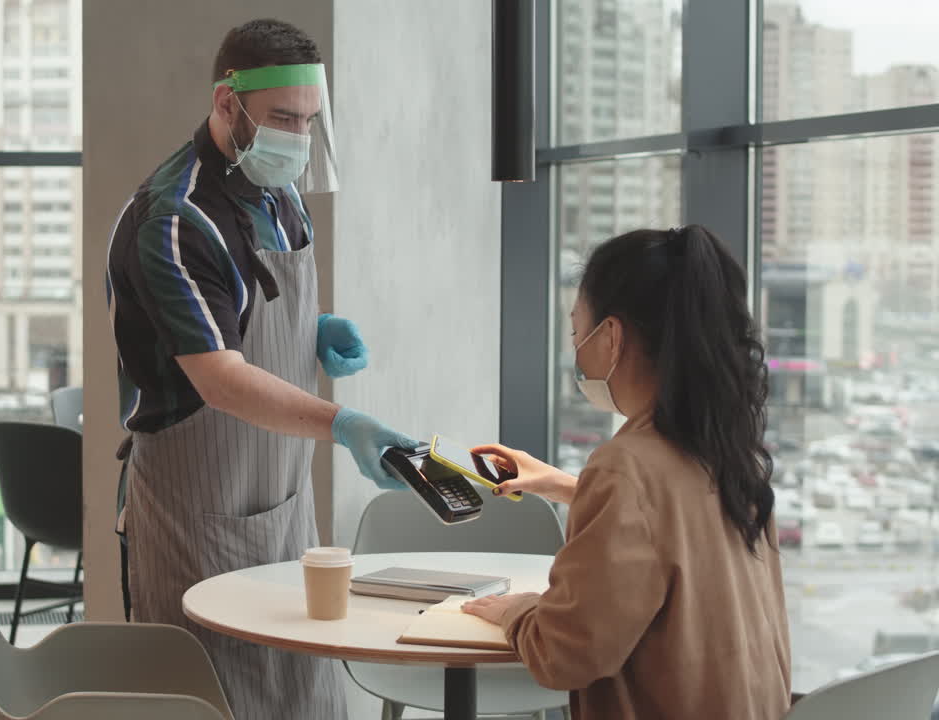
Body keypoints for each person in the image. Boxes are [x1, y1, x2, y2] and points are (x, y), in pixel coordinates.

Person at [105, 19, 415, 720]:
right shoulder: (173, 220)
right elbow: (219, 377)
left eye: (308, 120)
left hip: (283, 504)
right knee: (216, 698)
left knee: (305, 692)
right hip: (194, 511)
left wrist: (314, 330)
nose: (297, 139)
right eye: (282, 119)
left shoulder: (281, 193)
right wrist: (344, 423)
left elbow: (251, 307)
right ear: (227, 103)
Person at [463, 225, 792, 720]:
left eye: (577, 331)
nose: (576, 348)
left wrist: (517, 610)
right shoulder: (726, 453)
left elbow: (564, 654)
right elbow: (676, 527)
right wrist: (562, 485)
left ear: (611, 337)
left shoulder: (626, 467)